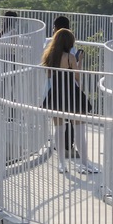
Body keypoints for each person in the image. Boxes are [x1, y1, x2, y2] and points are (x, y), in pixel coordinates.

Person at [40, 28, 95, 174]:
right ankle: (84, 163)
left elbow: (49, 76)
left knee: (59, 129)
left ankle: (61, 164)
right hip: (71, 94)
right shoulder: (70, 57)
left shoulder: (50, 57)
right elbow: (77, 76)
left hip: (56, 94)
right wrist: (79, 61)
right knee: (79, 129)